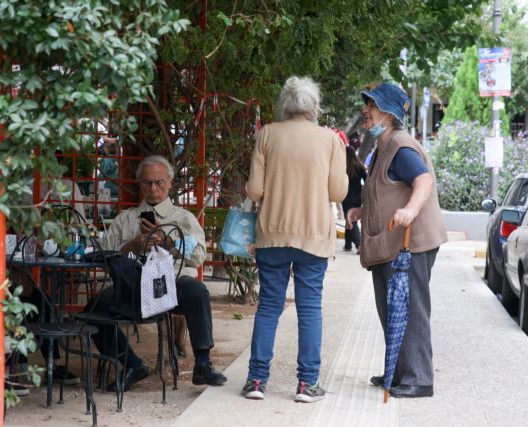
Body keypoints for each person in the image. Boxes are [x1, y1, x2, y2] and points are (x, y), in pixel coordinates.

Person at [242, 76, 347, 402]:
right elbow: (337, 192)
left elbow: (255, 191)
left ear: (284, 107)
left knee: (269, 307)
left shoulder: (268, 135)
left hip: (272, 233)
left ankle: (257, 381)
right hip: (314, 236)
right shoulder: (331, 140)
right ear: (314, 107)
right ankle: (306, 384)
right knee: (310, 309)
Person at [88, 155, 226, 391]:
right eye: (147, 183)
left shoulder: (183, 218)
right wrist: (130, 245)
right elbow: (102, 254)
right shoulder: (126, 219)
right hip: (133, 287)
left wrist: (170, 242)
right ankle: (132, 364)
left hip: (171, 284)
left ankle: (202, 364)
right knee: (93, 310)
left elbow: (200, 255)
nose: (153, 189)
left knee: (196, 290)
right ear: (140, 184)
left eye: (159, 183)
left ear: (170, 183)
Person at [346, 83, 447, 399]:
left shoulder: (401, 146)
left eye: (372, 107)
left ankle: (418, 378)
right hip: (389, 244)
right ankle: (399, 371)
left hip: (411, 243)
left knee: (410, 308)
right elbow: (386, 188)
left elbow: (423, 181)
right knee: (391, 308)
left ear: (388, 114)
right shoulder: (384, 146)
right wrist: (363, 210)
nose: (366, 112)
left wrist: (410, 209)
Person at [343, 145, 366, 253]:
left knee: (351, 219)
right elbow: (367, 180)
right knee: (349, 218)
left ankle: (359, 245)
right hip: (358, 195)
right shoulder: (359, 166)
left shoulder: (343, 166)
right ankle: (348, 244)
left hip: (346, 196)